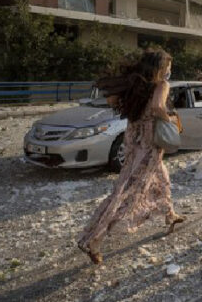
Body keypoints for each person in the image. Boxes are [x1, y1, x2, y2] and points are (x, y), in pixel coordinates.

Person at [77, 49, 185, 264]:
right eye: (168, 67)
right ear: (161, 69)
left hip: (133, 141)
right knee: (128, 193)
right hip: (150, 145)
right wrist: (170, 119)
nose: (170, 71)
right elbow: (157, 107)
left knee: (161, 179)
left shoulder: (138, 86)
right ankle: (93, 239)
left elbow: (111, 100)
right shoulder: (161, 86)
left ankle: (170, 215)